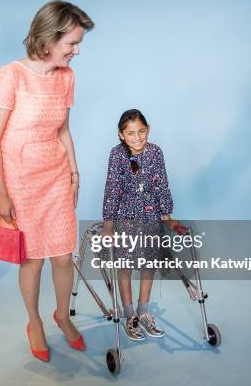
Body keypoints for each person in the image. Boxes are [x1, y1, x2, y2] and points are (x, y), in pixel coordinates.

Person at [0, 0, 94, 363]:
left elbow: (63, 129)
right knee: (31, 260)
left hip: (56, 174)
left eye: (78, 44)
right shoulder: (11, 75)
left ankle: (61, 316)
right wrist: (0, 192)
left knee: (63, 257)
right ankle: (34, 323)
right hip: (21, 179)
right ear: (49, 38)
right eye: (72, 43)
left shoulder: (66, 77)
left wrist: (75, 173)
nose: (77, 51)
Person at [101, 109, 174, 340]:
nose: (137, 137)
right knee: (125, 265)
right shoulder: (117, 154)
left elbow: (162, 183)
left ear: (148, 129)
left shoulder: (155, 152)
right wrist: (108, 223)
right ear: (121, 135)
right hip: (125, 217)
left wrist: (167, 213)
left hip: (151, 216)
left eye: (141, 131)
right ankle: (129, 313)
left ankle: (143, 311)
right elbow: (113, 189)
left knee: (148, 263)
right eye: (131, 133)